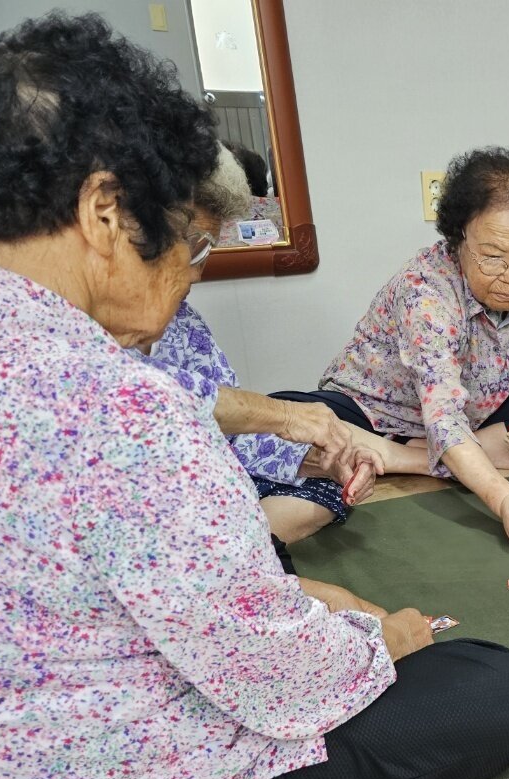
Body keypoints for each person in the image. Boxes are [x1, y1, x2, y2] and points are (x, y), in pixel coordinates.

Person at [0, 15, 509, 779]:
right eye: (189, 247)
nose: (191, 277)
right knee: (492, 688)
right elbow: (278, 678)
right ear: (105, 213)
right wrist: (385, 638)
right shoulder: (123, 411)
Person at [271, 147, 509, 558]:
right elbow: (441, 413)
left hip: (474, 409)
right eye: (493, 257)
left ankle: (399, 457)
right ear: (459, 237)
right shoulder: (425, 289)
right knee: (280, 425)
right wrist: (504, 498)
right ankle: (421, 451)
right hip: (375, 411)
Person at [135, 143, 380, 543]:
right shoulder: (73, 336)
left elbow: (232, 432)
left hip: (216, 487)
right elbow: (151, 396)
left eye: (207, 250)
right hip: (158, 513)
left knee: (323, 489)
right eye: (193, 247)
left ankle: (241, 540)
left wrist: (319, 461)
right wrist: (285, 416)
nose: (197, 274)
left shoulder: (185, 323)